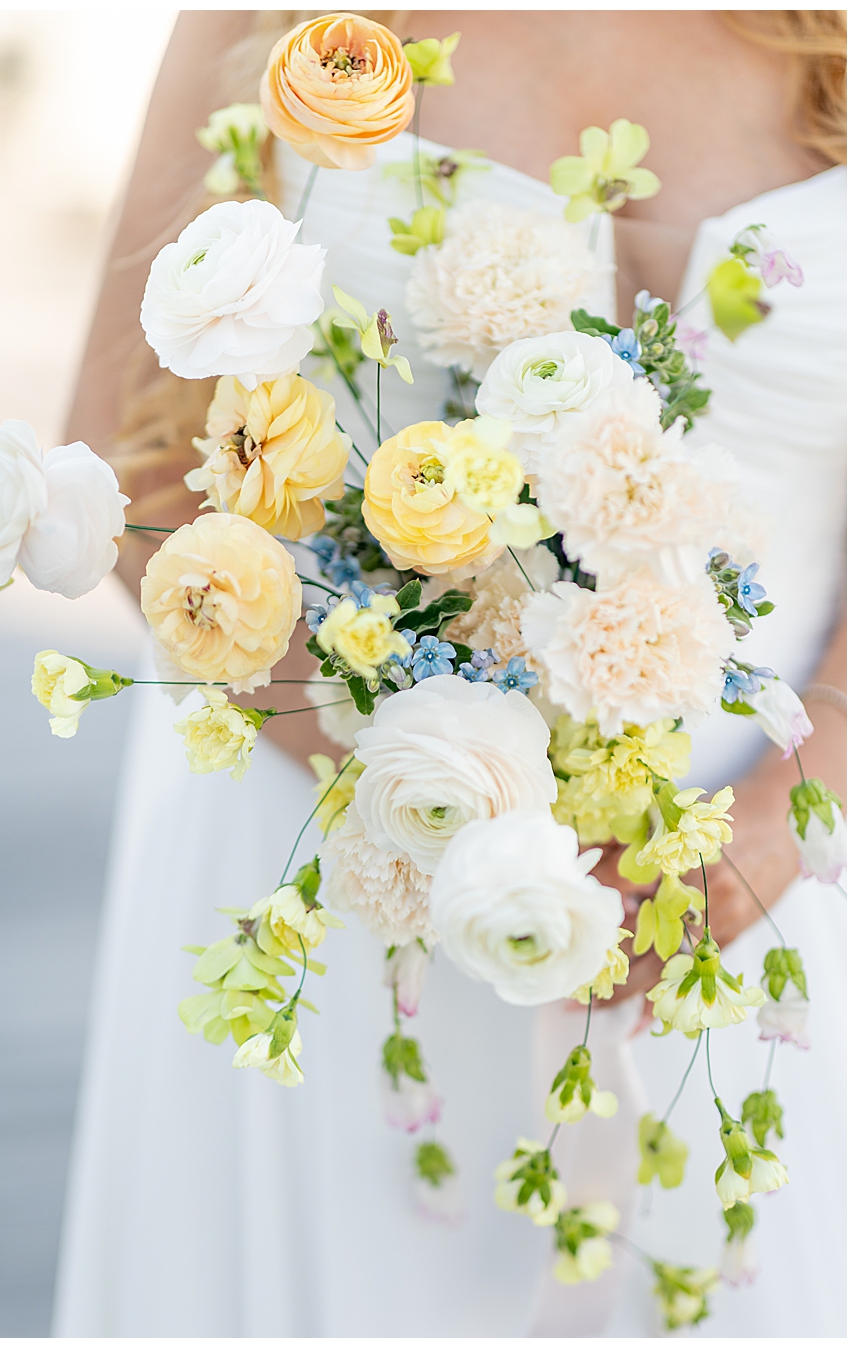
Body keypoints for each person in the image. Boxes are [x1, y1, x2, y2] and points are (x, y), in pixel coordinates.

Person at [53, 11, 845, 1336]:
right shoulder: (270, 26)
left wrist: (783, 812)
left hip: (762, 877)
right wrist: (441, 802)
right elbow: (127, 470)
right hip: (330, 847)